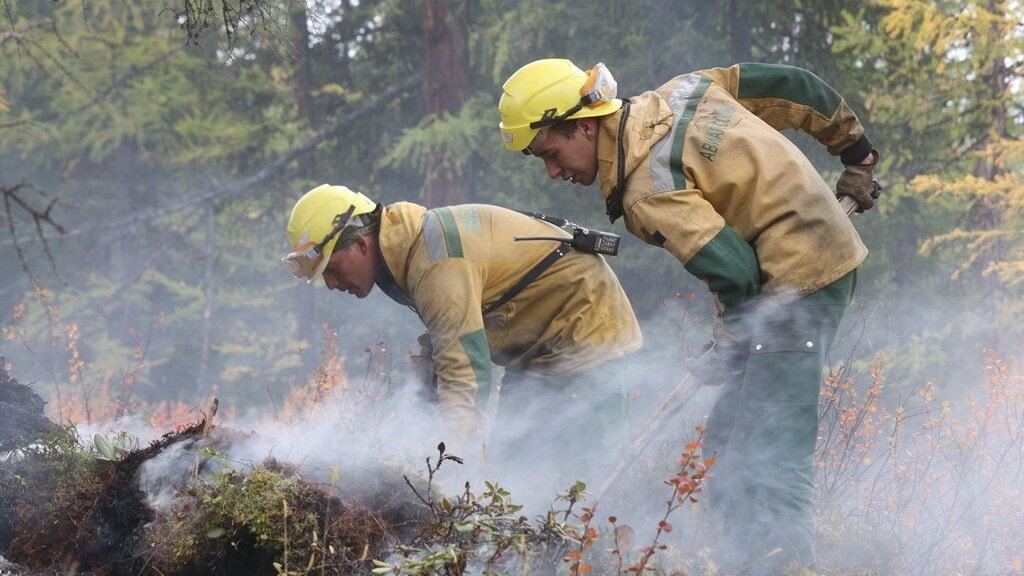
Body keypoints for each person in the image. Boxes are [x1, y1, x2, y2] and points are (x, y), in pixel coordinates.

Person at [497, 59, 881, 574]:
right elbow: (795, 87)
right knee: (724, 445)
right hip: (794, 272)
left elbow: (737, 272)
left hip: (798, 289)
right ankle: (736, 561)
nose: (552, 170)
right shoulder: (682, 91)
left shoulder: (646, 190)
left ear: (584, 125)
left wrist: (728, 341)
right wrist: (856, 151)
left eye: (550, 151)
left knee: (770, 462)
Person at [282, 184, 643, 495]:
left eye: (330, 268)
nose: (331, 283)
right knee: (513, 473)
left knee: (592, 487)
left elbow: (466, 376)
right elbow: (445, 343)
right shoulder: (405, 252)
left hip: (588, 331)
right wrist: (408, 435)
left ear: (360, 244)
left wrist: (440, 475)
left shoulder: (435, 263)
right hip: (536, 346)